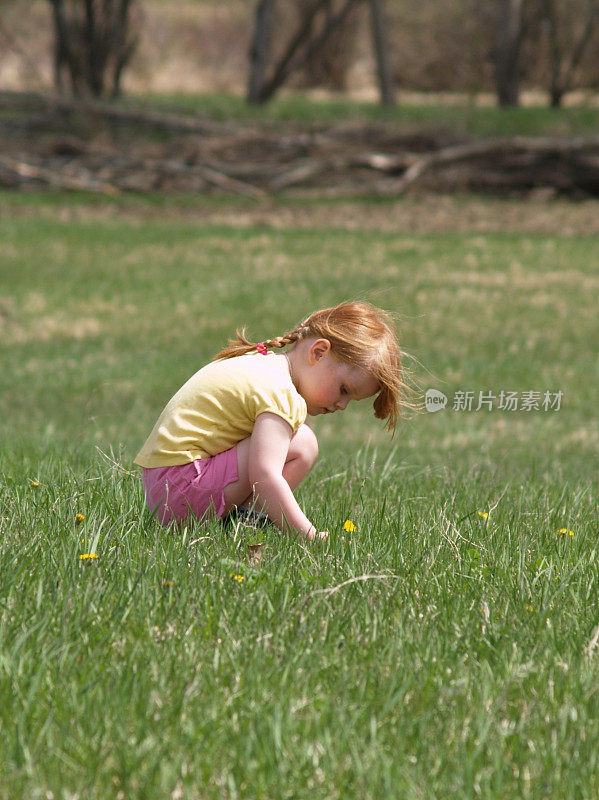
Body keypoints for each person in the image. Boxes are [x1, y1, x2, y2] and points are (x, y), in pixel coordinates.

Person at [134, 301, 411, 542]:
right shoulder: (280, 393)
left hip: (164, 488)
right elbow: (264, 476)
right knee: (303, 443)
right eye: (343, 390)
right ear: (318, 352)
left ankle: (239, 522)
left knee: (297, 439)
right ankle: (246, 523)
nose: (341, 405)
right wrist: (307, 534)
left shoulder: (262, 363)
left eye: (351, 400)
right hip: (181, 495)